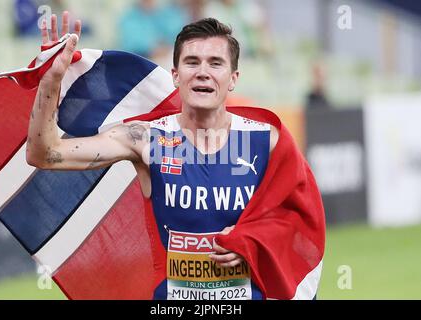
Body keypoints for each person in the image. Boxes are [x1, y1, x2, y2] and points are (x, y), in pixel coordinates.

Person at [27, 12, 319, 300]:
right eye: (192, 62)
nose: (203, 71)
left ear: (233, 78)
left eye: (215, 63)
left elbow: (300, 221)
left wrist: (253, 237)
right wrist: (51, 81)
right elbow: (45, 153)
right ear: (176, 76)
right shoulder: (145, 139)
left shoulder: (264, 141)